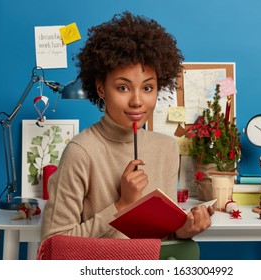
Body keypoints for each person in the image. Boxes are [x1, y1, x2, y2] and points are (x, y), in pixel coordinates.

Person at [41, 11, 213, 241]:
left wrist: (183, 230)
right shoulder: (81, 152)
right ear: (101, 89)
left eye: (147, 88)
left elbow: (158, 235)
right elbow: (54, 243)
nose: (137, 101)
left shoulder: (167, 148)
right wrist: (122, 204)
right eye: (123, 87)